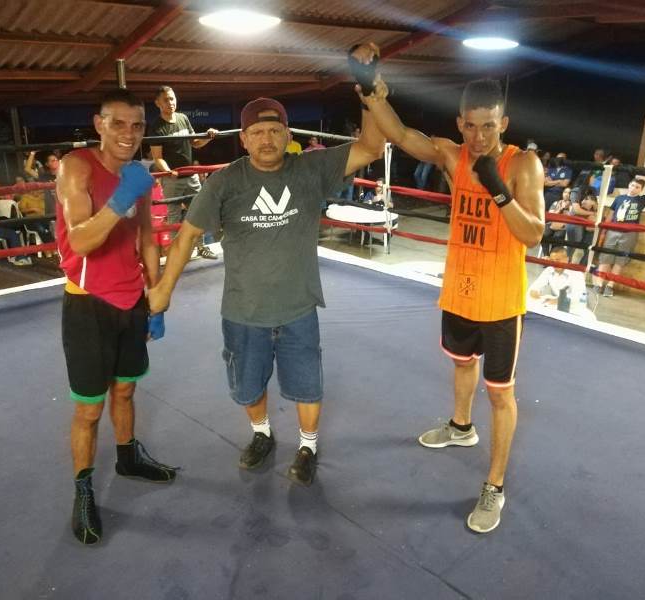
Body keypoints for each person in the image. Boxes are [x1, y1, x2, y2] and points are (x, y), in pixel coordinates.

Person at [148, 84, 384, 487]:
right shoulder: (224, 182)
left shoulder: (311, 168)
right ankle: (262, 434)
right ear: (243, 139)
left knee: (307, 384)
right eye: (257, 132)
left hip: (298, 305)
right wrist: (164, 289)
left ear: (287, 135)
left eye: (274, 131)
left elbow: (372, 146)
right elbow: (187, 235)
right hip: (244, 310)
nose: (266, 139)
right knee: (248, 384)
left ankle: (308, 446)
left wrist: (369, 94)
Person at [362, 72, 544, 533]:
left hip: (501, 300)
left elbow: (534, 234)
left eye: (489, 126)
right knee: (462, 364)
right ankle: (461, 428)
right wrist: (370, 92)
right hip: (461, 289)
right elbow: (400, 134)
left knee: (500, 394)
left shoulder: (524, 164)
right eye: (471, 126)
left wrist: (498, 190)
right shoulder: (451, 154)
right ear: (460, 123)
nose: (479, 137)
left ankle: (494, 485)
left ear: (504, 123)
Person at [55, 89, 176, 545]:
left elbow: (146, 236)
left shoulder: (138, 173)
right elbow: (81, 241)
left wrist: (156, 294)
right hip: (88, 303)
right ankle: (83, 490)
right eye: (118, 123)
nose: (129, 133)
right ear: (99, 124)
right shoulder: (77, 166)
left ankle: (128, 457)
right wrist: (121, 196)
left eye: (138, 125)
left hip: (132, 301)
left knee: (125, 389)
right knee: (89, 409)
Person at [149, 85, 218, 259]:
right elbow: (157, 157)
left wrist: (208, 136)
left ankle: (201, 247)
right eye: (166, 100)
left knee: (198, 212)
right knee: (174, 216)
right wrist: (168, 171)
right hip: (172, 179)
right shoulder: (156, 126)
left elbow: (195, 143)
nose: (170, 102)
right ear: (158, 103)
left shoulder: (183, 118)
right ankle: (177, 253)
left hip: (191, 175)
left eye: (172, 98)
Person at [592, 177, 645, 297]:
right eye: (632, 185)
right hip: (613, 230)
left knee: (620, 260)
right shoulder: (619, 198)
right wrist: (604, 231)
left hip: (629, 233)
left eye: (637, 187)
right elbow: (610, 215)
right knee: (606, 257)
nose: (634, 188)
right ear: (629, 185)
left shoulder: (641, 200)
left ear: (641, 190)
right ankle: (599, 283)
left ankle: (610, 285)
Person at [529, 246, 587, 314]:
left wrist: (558, 300)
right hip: (555, 309)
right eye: (552, 261)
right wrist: (534, 291)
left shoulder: (577, 274)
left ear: (567, 259)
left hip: (574, 310)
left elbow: (579, 297)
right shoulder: (549, 270)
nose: (554, 263)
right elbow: (536, 286)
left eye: (558, 260)